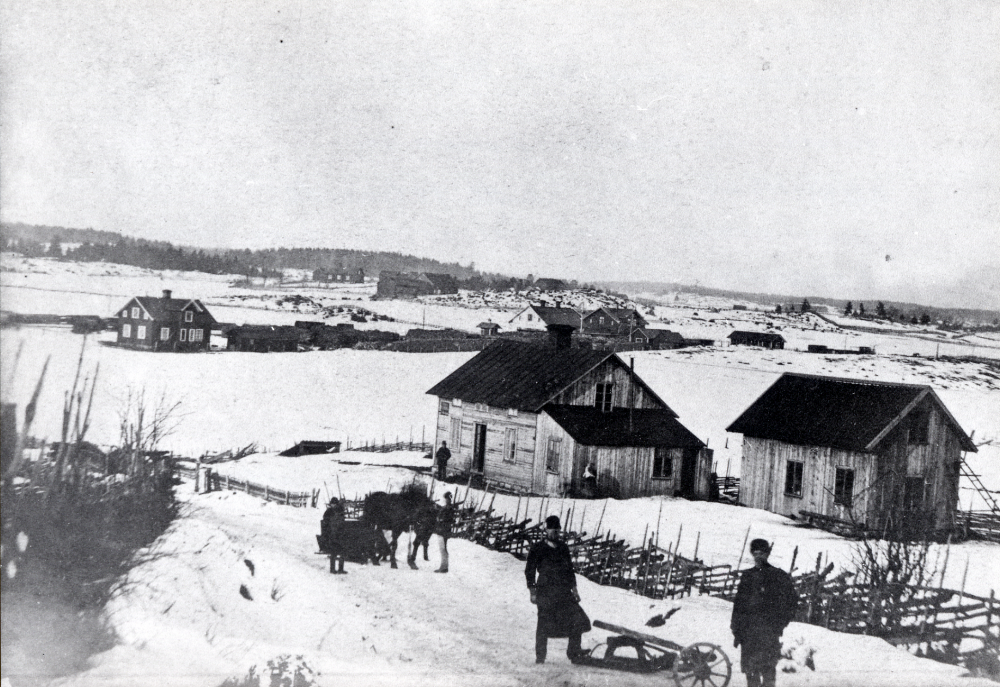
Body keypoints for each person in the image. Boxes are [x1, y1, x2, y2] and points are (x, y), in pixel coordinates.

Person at [730, 539, 798, 687]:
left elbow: (792, 601)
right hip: (748, 632)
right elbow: (739, 605)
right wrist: (736, 628)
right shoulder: (747, 576)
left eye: (762, 553)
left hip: (769, 632)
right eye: (755, 553)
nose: (758, 556)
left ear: (767, 554)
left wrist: (780, 623)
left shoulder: (778, 575)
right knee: (750, 672)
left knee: (768, 671)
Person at [525, 515, 591, 664]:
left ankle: (574, 652)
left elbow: (569, 570)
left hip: (563, 591)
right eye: (552, 530)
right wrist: (532, 591)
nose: (555, 533)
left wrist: (574, 589)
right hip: (545, 591)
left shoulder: (563, 547)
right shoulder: (538, 548)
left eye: (557, 530)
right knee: (543, 624)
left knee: (578, 619)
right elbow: (529, 571)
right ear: (546, 530)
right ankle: (540, 657)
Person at [321, 498, 347, 574]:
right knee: (333, 553)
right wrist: (327, 534)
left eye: (335, 504)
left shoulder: (340, 511)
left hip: (340, 534)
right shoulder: (328, 512)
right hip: (332, 535)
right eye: (332, 504)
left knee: (342, 552)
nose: (333, 505)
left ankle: (340, 569)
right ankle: (332, 569)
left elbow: (342, 522)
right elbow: (325, 524)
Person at [434, 491, 456, 573]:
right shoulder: (447, 507)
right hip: (443, 530)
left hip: (443, 531)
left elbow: (447, 519)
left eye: (446, 499)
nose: (446, 500)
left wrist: (440, 519)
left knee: (443, 549)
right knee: (443, 548)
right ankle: (444, 566)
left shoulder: (449, 508)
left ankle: (443, 567)